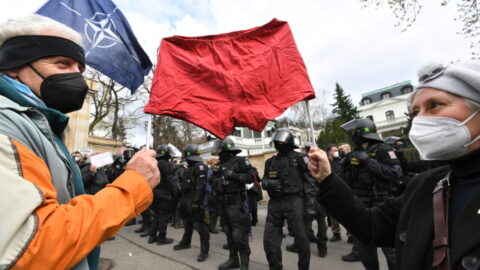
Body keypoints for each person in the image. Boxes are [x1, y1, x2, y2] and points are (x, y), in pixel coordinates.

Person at [0, 15, 159, 270]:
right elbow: (31, 248)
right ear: (13, 65)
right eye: (62, 64)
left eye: (80, 69)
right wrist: (133, 186)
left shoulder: (38, 123)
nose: (77, 77)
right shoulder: (5, 123)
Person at [308, 60, 480, 270]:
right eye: (416, 112)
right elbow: (370, 226)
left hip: (381, 196)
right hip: (366, 200)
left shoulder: (381, 150)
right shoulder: (426, 186)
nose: (420, 120)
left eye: (435, 105)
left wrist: (369, 162)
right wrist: (328, 178)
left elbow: (394, 172)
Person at [338, 118, 400, 270]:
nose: (352, 135)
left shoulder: (384, 149)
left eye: (354, 131)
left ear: (363, 131)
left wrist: (368, 162)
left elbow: (396, 173)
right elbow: (348, 180)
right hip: (361, 204)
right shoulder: (356, 152)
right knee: (364, 248)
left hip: (382, 203)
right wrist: (344, 166)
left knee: (390, 249)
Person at [262, 128, 317, 270]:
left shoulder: (300, 158)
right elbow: (264, 180)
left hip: (295, 201)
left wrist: (310, 205)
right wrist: (269, 183)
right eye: (276, 142)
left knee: (302, 240)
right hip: (275, 203)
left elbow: (310, 180)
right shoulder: (270, 162)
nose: (278, 145)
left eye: (281, 142)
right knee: (269, 242)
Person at [211, 137, 254, 270]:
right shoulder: (218, 164)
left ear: (227, 150)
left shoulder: (240, 161)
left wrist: (234, 175)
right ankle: (233, 259)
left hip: (236, 202)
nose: (218, 154)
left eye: (220, 151)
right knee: (228, 231)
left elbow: (251, 178)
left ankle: (244, 263)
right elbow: (212, 181)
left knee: (239, 234)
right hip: (222, 202)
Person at [173, 144, 210, 262]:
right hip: (186, 199)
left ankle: (204, 251)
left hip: (196, 201)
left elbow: (200, 187)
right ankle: (185, 242)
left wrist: (196, 203)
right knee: (187, 224)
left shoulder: (200, 167)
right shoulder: (190, 167)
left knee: (200, 227)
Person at [148, 144, 177, 245]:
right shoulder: (164, 164)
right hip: (164, 194)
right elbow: (169, 180)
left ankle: (152, 236)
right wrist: (175, 192)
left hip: (154, 192)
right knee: (163, 217)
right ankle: (162, 238)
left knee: (156, 215)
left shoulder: (154, 163)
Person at [325, 144, 343, 242]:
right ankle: (336, 233)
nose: (337, 152)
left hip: (342, 189)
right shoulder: (325, 162)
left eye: (337, 150)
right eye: (334, 150)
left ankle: (351, 234)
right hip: (331, 190)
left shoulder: (340, 160)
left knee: (347, 213)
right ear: (329, 152)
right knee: (333, 214)